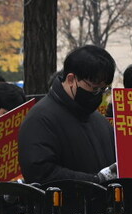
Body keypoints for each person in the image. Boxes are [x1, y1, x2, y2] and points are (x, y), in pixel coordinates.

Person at [17, 46, 116, 185]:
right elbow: (40, 173)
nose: (99, 94)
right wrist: (94, 181)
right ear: (71, 79)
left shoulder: (100, 121)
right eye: (94, 88)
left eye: (103, 89)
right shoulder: (39, 119)